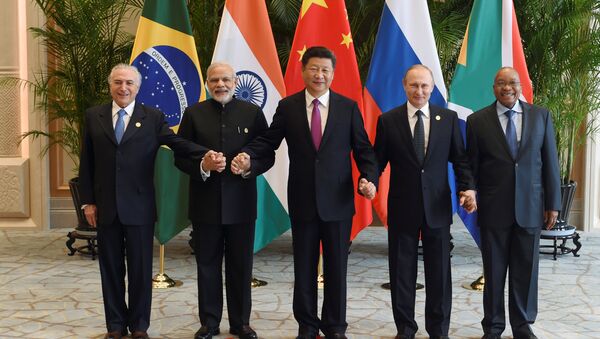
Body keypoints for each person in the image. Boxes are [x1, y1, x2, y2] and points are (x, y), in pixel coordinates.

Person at [231, 46, 378, 339]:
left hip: (337, 202)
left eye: (325, 70)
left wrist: (368, 178)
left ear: (333, 74)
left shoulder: (348, 107)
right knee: (305, 269)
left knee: (337, 269)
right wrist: (247, 153)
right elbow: (268, 141)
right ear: (303, 71)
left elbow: (364, 150)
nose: (319, 75)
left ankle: (335, 326)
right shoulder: (288, 107)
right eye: (314, 69)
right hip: (303, 201)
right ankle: (307, 326)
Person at [78, 64, 205, 339]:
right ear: (110, 85)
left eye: (129, 83)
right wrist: (88, 201)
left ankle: (138, 326)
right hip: (105, 206)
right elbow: (86, 161)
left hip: (139, 207)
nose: (123, 88)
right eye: (118, 82)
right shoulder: (93, 116)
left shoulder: (152, 117)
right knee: (110, 269)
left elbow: (177, 143)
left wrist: (205, 153)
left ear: (138, 87)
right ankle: (114, 324)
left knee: (139, 270)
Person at [373, 64, 477, 339]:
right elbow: (377, 161)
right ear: (404, 86)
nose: (419, 91)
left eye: (424, 86)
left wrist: (468, 189)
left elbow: (461, 161)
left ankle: (438, 330)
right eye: (414, 85)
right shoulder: (388, 120)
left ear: (432, 88)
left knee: (439, 275)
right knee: (401, 273)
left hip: (438, 207)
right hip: (402, 207)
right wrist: (368, 180)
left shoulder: (448, 119)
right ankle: (405, 329)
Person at [174, 62, 273, 339]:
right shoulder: (193, 114)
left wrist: (249, 165)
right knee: (207, 265)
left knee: (241, 267)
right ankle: (209, 323)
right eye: (215, 79)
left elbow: (267, 153)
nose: (221, 84)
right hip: (205, 205)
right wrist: (203, 166)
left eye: (226, 79)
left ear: (235, 81)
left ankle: (241, 323)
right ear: (207, 83)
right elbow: (180, 156)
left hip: (241, 205)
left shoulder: (252, 113)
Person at [466, 67, 561, 339]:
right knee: (494, 273)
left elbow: (550, 165)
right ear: (493, 87)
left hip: (531, 208)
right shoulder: (477, 121)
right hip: (494, 209)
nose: (507, 88)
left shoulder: (541, 116)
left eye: (512, 83)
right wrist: (469, 191)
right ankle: (493, 327)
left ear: (521, 86)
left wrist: (552, 203)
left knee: (525, 272)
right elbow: (471, 166)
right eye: (501, 83)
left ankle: (522, 326)